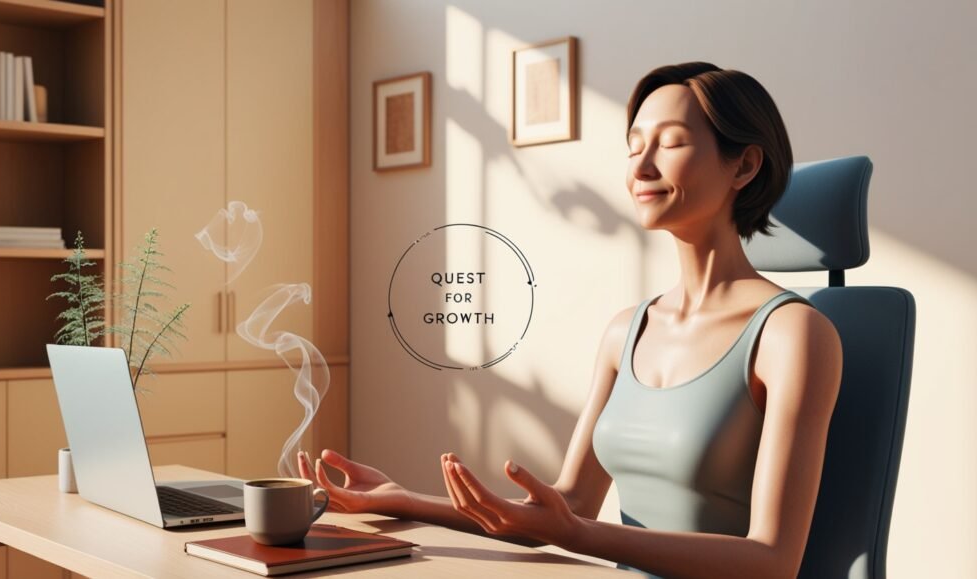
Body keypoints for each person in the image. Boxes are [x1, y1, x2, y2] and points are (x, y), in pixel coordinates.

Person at [297, 62, 843, 579]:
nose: (642, 166)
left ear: (744, 166)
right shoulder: (626, 330)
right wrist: (403, 499)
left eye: (671, 143)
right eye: (634, 147)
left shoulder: (791, 334)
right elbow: (569, 505)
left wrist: (577, 534)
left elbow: (772, 563)